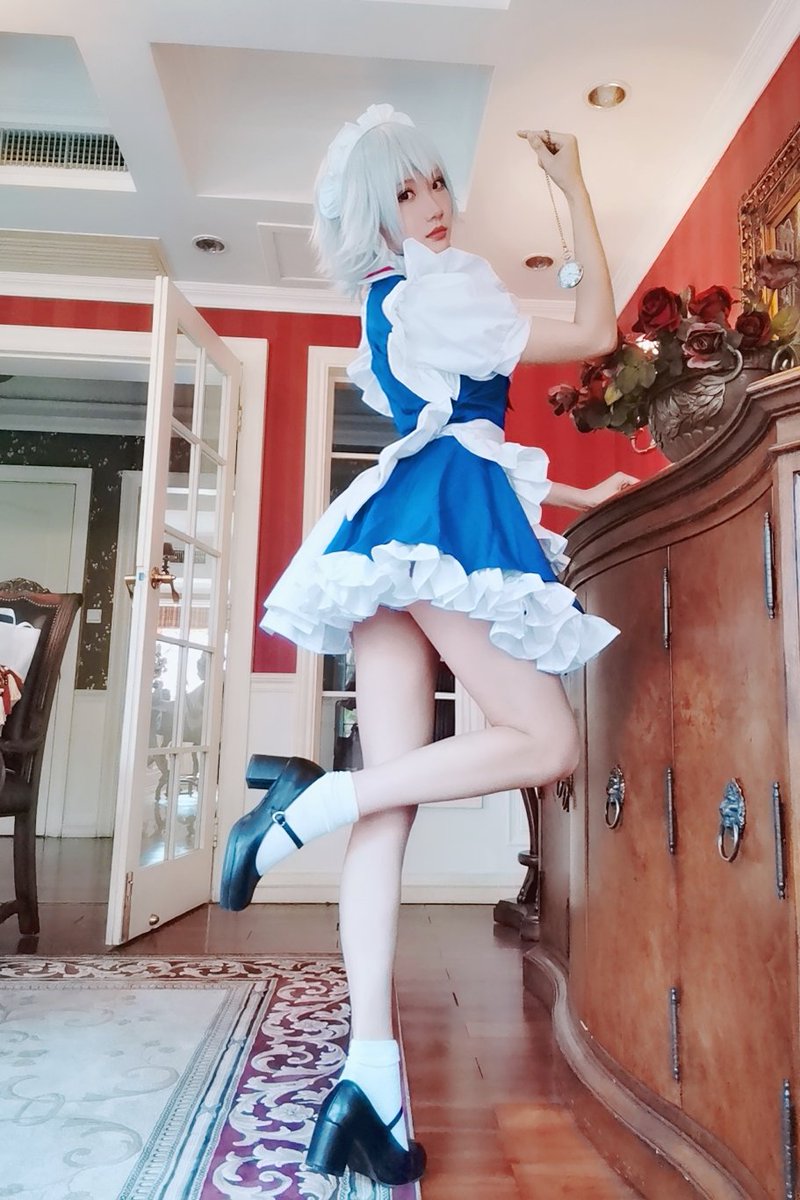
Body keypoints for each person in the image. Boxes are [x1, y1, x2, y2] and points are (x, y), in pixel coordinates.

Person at [220, 103, 637, 1186]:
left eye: (436, 182)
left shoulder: (388, 301)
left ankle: (370, 1086)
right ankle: (309, 804)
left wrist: (573, 494)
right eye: (404, 194)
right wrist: (572, 186)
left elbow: (459, 427)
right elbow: (594, 328)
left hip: (401, 520)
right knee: (547, 742)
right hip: (436, 515)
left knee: (389, 803)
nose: (433, 205)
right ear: (373, 212)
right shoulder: (441, 286)